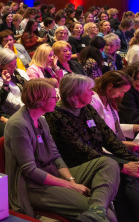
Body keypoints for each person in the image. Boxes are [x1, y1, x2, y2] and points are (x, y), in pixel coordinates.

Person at [5, 78, 120, 221]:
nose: (57, 99)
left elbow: (55, 155)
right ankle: (99, 210)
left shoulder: (41, 120)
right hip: (33, 186)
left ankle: (98, 208)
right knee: (108, 216)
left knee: (108, 163)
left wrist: (71, 180)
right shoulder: (18, 125)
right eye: (54, 97)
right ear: (41, 100)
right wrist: (71, 186)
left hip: (52, 173)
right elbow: (30, 171)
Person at [46, 74, 139, 222]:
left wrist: (132, 159)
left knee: (134, 166)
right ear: (75, 94)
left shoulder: (86, 108)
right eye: (89, 90)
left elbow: (109, 137)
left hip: (97, 157)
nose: (92, 93)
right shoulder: (56, 115)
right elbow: (80, 151)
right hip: (76, 164)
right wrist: (123, 166)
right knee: (127, 176)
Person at [90, 71, 139, 145]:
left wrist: (134, 128)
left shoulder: (108, 99)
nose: (122, 95)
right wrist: (123, 144)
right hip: (105, 148)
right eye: (121, 91)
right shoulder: (93, 101)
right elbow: (95, 133)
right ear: (110, 86)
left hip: (115, 144)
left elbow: (111, 127)